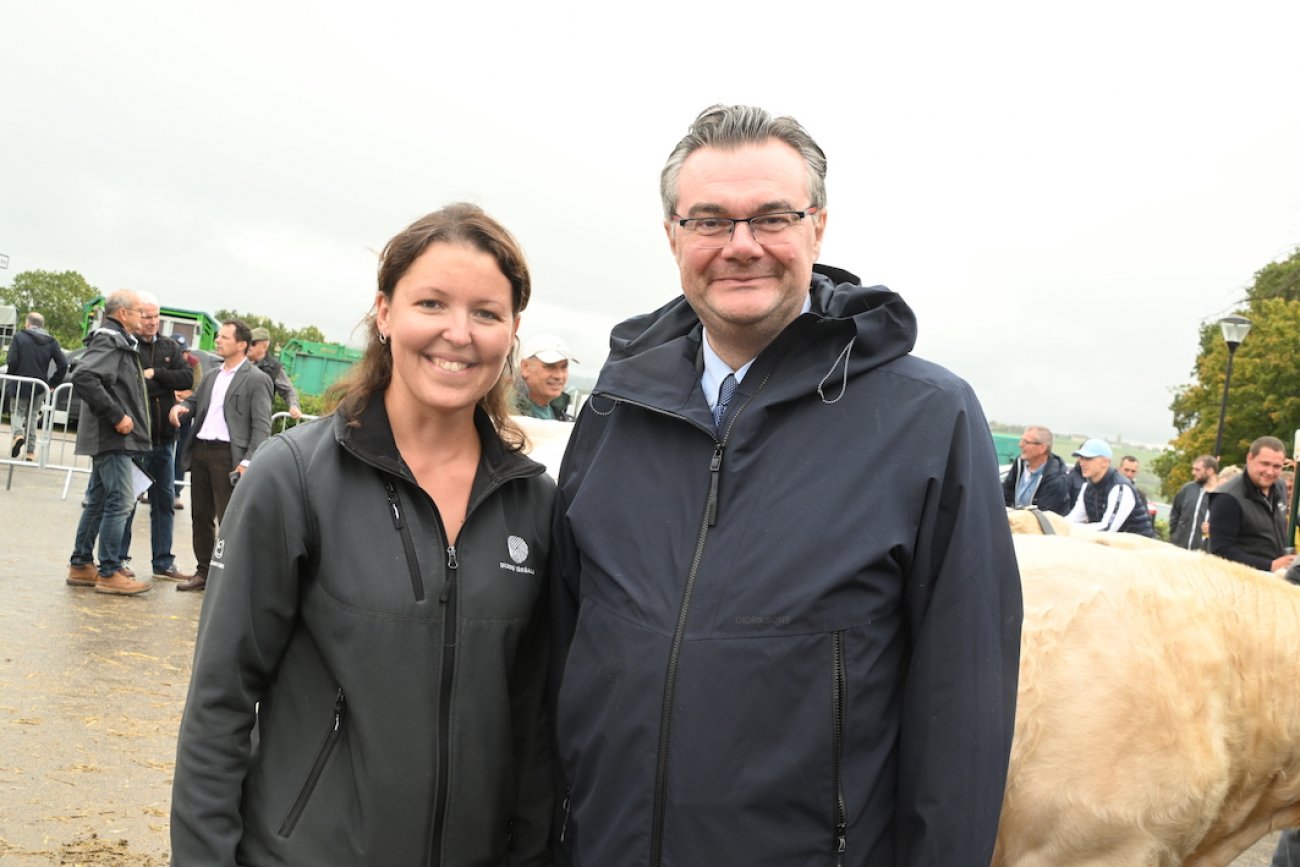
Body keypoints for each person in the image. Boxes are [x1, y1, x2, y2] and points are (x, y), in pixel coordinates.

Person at [550, 105, 1022, 866]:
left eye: (773, 216)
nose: (741, 246)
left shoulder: (928, 419)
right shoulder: (616, 403)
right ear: (673, 235)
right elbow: (567, 642)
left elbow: (963, 708)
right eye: (709, 221)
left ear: (819, 227)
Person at [171, 204, 554, 865]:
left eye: (486, 313)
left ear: (512, 330)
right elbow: (220, 701)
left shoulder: (534, 504)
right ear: (384, 312)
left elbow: (535, 725)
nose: (457, 333)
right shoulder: (292, 478)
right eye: (431, 302)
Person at [168, 319, 273, 592]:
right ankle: (203, 571)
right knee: (200, 516)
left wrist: (248, 461)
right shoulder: (213, 374)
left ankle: (229, 576)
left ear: (242, 345)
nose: (218, 340)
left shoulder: (257, 379)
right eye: (218, 336)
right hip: (202, 450)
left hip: (229, 456)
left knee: (229, 521)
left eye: (225, 337)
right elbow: (195, 401)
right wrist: (181, 408)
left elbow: (262, 424)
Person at [64, 289, 152, 596]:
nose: (145, 317)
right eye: (140, 311)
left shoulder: (117, 340)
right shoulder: (110, 340)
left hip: (112, 437)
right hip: (113, 437)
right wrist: (117, 416)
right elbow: (84, 376)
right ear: (124, 313)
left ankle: (81, 564)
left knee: (100, 500)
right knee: (120, 502)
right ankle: (110, 570)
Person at [119, 293, 191, 581]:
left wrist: (156, 374)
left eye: (155, 317)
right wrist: (160, 383)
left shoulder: (170, 346)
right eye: (146, 316)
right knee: (126, 502)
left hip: (164, 440)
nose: (151, 322)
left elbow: (186, 379)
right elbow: (134, 388)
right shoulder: (129, 346)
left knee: (164, 504)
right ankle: (119, 559)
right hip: (135, 441)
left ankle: (163, 562)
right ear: (136, 316)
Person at [1208, 436, 1294, 573]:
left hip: (1275, 581)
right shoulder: (1227, 497)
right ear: (1249, 458)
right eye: (1265, 464)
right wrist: (1269, 565)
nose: (1270, 472)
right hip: (1241, 582)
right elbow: (1221, 551)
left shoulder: (1280, 486)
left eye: (1277, 466)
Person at [5, 310, 67, 461]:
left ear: (28, 323)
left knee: (17, 412)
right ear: (42, 325)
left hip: (21, 382)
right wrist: (53, 383)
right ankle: (30, 452)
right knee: (33, 416)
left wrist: (13, 376)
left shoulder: (19, 337)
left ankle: (18, 434)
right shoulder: (51, 341)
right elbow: (63, 364)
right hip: (40, 385)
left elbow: (11, 360)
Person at [1065, 438, 1155, 536]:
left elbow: (1108, 528)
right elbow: (1073, 519)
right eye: (1081, 458)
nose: (1082, 463)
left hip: (1139, 548)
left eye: (1088, 458)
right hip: (1114, 546)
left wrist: (1070, 528)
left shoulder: (1121, 487)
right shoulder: (1087, 487)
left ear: (1105, 462)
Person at [1001, 425, 1071, 514]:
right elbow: (1006, 493)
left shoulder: (1056, 479)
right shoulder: (1019, 463)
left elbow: (1042, 516)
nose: (1020, 445)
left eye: (1026, 442)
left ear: (1042, 448)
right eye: (1021, 440)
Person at [514, 333, 578, 420]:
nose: (559, 376)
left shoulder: (562, 416)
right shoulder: (504, 411)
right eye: (550, 366)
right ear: (525, 367)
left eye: (564, 367)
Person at [247, 325, 303, 419]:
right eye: (247, 342)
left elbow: (288, 390)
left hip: (258, 418)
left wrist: (294, 406)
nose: (248, 346)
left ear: (264, 346)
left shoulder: (274, 367)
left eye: (253, 343)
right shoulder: (238, 361)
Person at [171, 334, 200, 509]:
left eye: (186, 351)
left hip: (184, 415)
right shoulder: (163, 360)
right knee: (152, 454)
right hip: (162, 414)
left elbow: (196, 389)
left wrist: (177, 394)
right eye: (181, 352)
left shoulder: (194, 363)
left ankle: (175, 492)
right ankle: (148, 490)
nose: (184, 355)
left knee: (180, 454)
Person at [1167, 454, 1217, 550]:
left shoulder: (1222, 494)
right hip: (1179, 550)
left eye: (1198, 470)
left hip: (1204, 556)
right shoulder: (1188, 489)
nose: (1193, 472)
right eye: (1193, 469)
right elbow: (1175, 513)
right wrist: (1175, 537)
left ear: (1210, 471)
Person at [1118, 455, 1151, 521]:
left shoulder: (1140, 495)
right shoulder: (1107, 489)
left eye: (1133, 471)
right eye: (1126, 470)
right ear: (1119, 469)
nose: (1129, 474)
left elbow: (1145, 519)